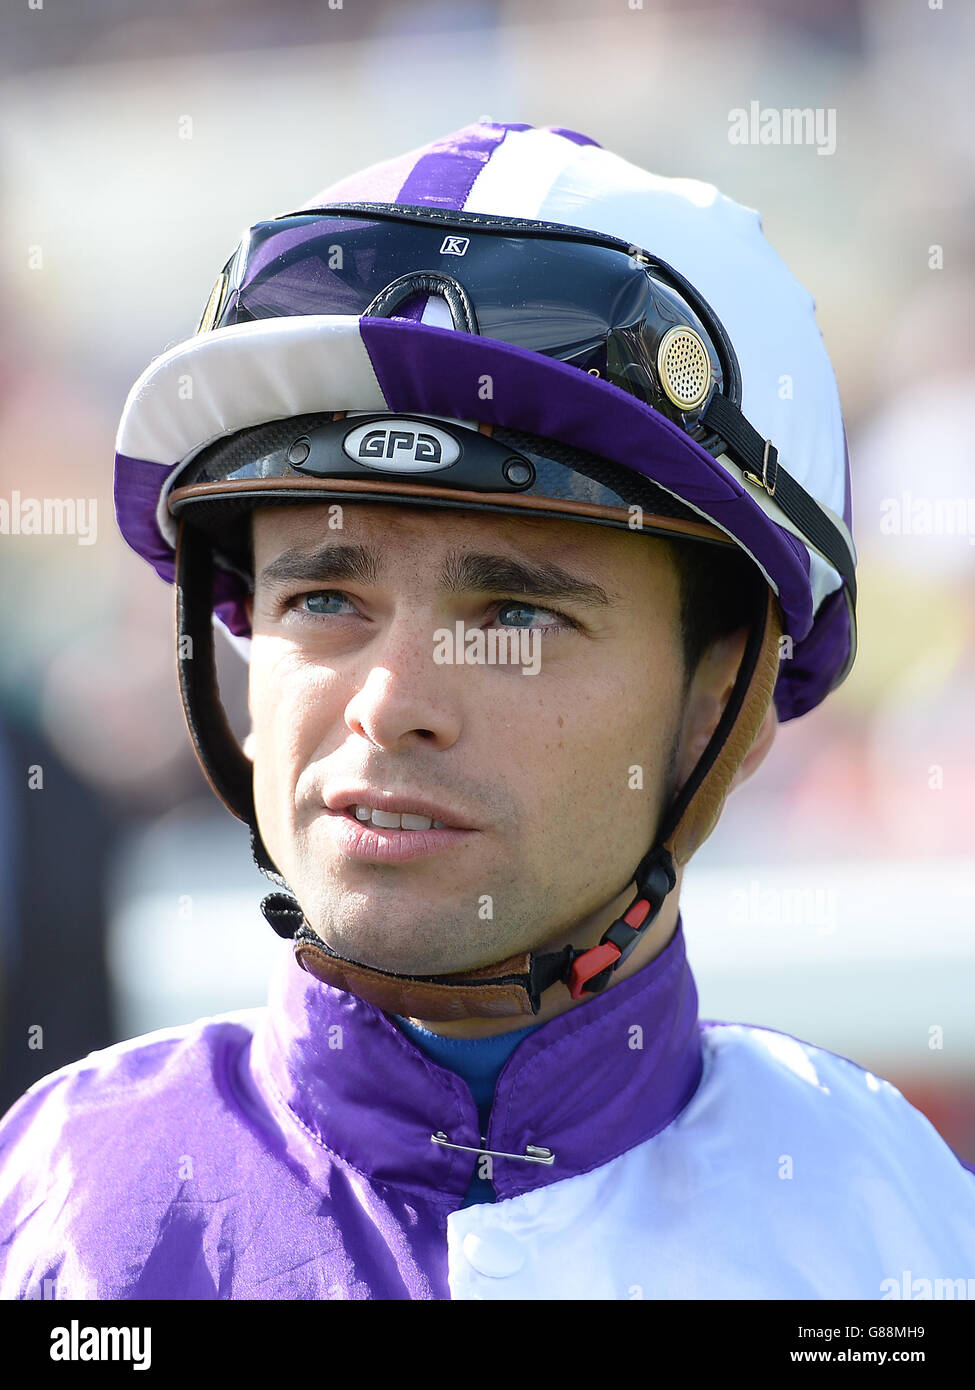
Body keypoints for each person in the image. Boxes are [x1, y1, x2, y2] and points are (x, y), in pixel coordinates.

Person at [1, 120, 972, 1301]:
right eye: (321, 594)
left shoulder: (908, 1239)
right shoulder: (48, 1224)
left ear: (732, 691)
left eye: (516, 615)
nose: (392, 704)